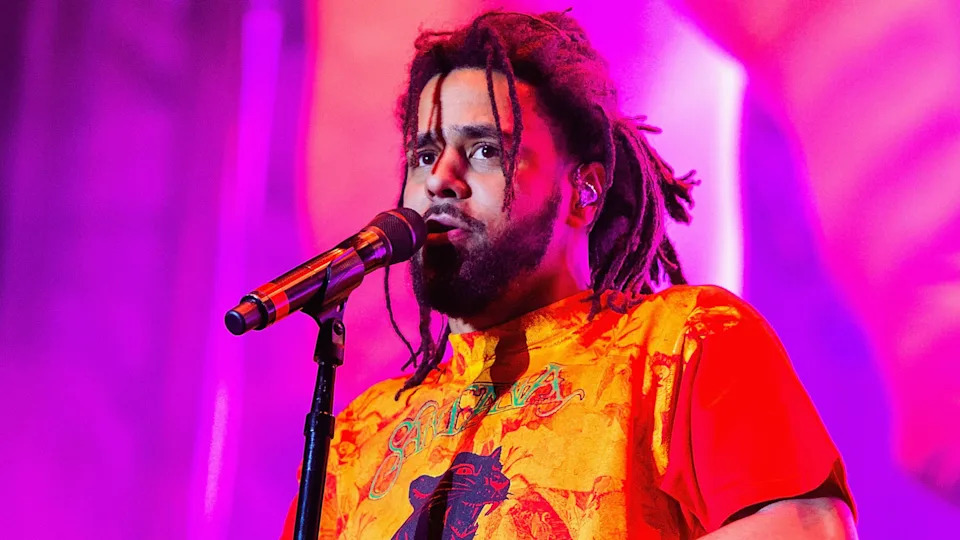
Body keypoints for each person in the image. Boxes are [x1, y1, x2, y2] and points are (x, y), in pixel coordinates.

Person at [282, 10, 856, 539]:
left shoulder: (685, 343)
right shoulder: (358, 437)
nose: (440, 179)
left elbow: (807, 530)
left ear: (584, 191)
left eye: (484, 151)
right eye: (424, 155)